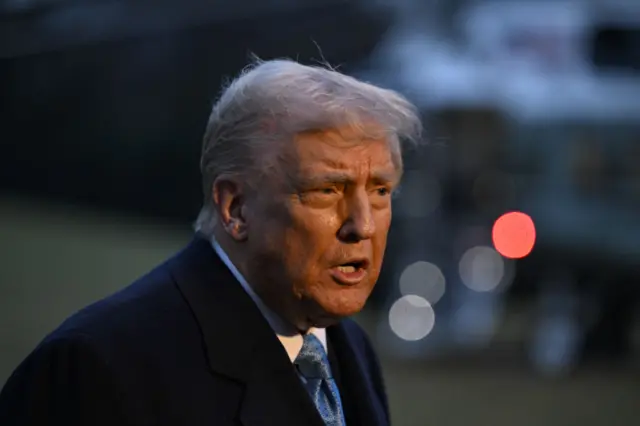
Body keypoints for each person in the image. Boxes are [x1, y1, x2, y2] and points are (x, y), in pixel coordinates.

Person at [0, 59, 422, 426]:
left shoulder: (348, 346)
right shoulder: (99, 368)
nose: (363, 225)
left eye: (380, 191)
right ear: (235, 209)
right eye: (327, 190)